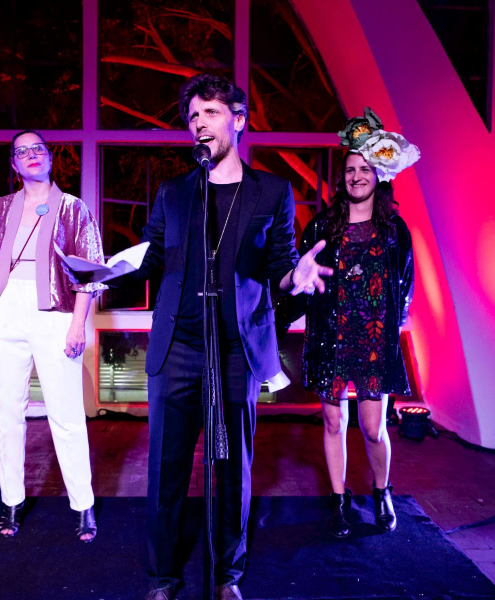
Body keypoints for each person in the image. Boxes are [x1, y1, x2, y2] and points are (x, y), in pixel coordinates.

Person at [130, 74, 332, 600]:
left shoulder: (271, 191)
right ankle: (162, 576)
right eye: (193, 116)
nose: (199, 122)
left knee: (232, 468)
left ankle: (227, 575)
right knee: (166, 470)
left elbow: (281, 264)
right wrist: (103, 274)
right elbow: (151, 257)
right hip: (177, 349)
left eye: (211, 112)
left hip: (236, 350)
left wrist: (297, 278)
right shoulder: (175, 192)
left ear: (238, 121)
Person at [0, 130, 106, 542]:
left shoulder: (73, 207)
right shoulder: (0, 207)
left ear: (49, 157)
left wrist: (78, 323)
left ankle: (83, 505)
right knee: (7, 412)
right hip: (4, 307)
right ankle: (11, 500)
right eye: (22, 151)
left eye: (38, 148)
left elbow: (89, 271)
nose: (31, 155)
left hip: (55, 313)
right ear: (14, 164)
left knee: (66, 415)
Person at [286, 108, 419, 538]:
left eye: (364, 169)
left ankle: (381, 492)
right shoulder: (322, 226)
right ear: (341, 178)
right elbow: (301, 277)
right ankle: (339, 500)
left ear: (378, 175)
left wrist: (392, 332)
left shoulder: (395, 230)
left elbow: (405, 285)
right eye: (349, 170)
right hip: (332, 338)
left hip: (374, 343)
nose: (356, 176)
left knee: (373, 429)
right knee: (332, 423)